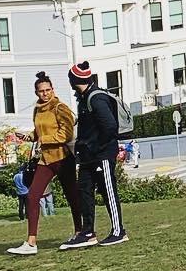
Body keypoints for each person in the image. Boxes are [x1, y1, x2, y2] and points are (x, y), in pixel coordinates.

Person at [7, 72, 82, 256]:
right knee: (32, 196)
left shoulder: (60, 107)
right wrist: (28, 136)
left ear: (53, 90)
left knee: (72, 195)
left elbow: (66, 134)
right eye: (42, 91)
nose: (45, 93)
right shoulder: (37, 110)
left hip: (63, 158)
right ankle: (31, 242)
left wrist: (44, 139)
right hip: (45, 160)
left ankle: (80, 232)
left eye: (48, 90)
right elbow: (39, 131)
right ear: (36, 93)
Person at [63, 62, 125, 249]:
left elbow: (110, 127)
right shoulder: (84, 98)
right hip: (88, 156)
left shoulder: (96, 98)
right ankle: (88, 232)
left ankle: (118, 231)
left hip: (101, 155)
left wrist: (96, 147)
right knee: (84, 192)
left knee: (108, 191)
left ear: (74, 80)